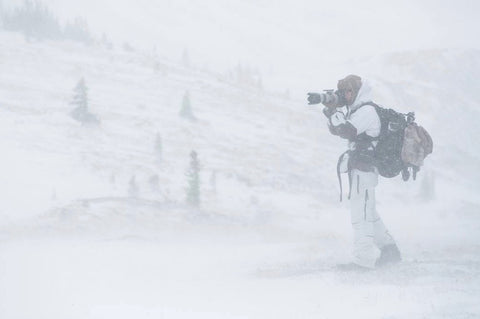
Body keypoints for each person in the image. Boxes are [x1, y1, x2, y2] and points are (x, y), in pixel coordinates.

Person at [312, 75, 401, 271]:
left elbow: (346, 131)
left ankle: (363, 261)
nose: (346, 95)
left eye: (349, 91)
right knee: (368, 212)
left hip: (364, 170)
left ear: (358, 91)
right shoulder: (358, 110)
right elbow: (337, 130)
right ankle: (389, 249)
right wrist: (330, 111)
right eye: (343, 92)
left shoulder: (367, 111)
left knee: (360, 216)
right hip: (361, 169)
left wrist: (334, 111)